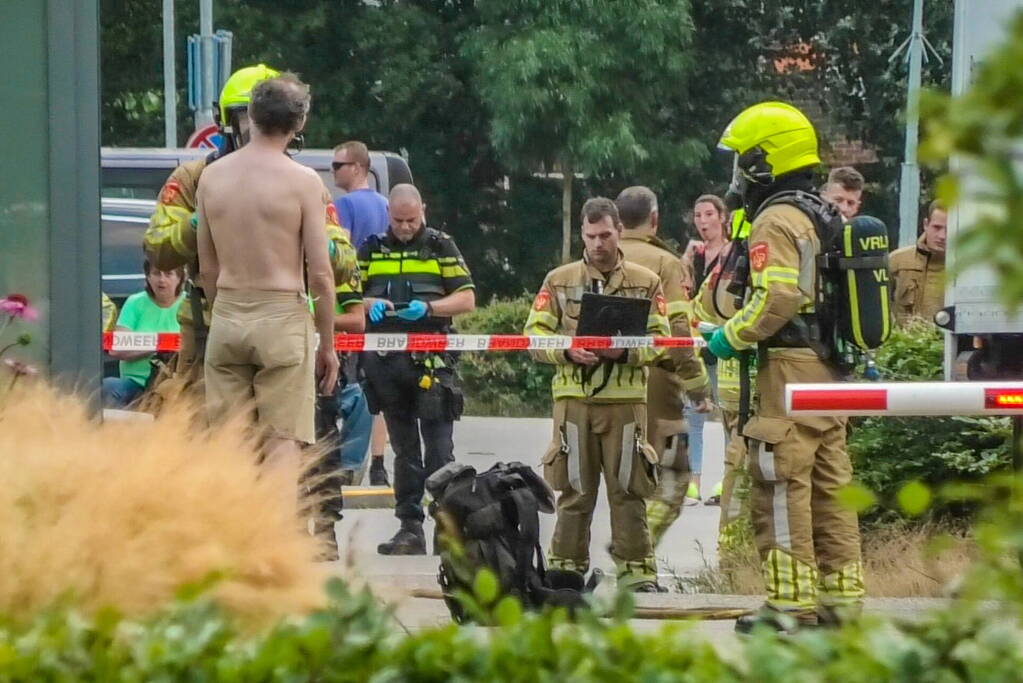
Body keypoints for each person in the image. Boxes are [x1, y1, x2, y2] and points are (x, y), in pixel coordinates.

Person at [705, 101, 864, 632]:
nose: (736, 175)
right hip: (825, 366)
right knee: (830, 485)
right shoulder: (818, 211)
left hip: (788, 369)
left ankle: (789, 608)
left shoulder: (775, 218)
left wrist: (727, 337)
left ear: (764, 161)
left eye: (741, 161)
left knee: (780, 480)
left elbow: (778, 298)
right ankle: (840, 603)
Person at [143, 64, 356, 410]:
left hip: (280, 323)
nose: (255, 127)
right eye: (244, 117)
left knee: (277, 439)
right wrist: (200, 222)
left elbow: (343, 265)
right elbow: (158, 249)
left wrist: (316, 238)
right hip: (207, 330)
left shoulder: (301, 182)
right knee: (206, 435)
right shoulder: (195, 178)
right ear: (226, 120)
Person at [197, 74, 339, 494]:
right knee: (282, 441)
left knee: (230, 442)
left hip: (226, 312)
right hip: (282, 314)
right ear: (299, 123)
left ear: (250, 116)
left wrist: (218, 309)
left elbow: (207, 266)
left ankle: (230, 542)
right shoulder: (303, 182)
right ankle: (273, 545)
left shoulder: (212, 178)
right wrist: (327, 343)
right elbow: (321, 274)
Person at [525, 197, 670, 592]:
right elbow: (533, 337)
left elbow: (662, 340)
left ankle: (638, 574)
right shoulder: (559, 280)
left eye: (605, 235)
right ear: (582, 236)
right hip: (573, 400)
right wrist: (567, 348)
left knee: (628, 490)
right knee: (573, 489)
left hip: (625, 403)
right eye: (590, 236)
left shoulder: (646, 281)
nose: (598, 244)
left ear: (619, 230)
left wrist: (622, 350)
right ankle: (566, 569)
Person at [359, 183, 475, 555]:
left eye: (412, 219)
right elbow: (346, 295)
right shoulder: (372, 248)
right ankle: (410, 528)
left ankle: (447, 529)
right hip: (386, 364)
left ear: (422, 210)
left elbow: (467, 298)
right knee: (405, 452)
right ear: (388, 214)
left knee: (440, 450)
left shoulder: (441, 246)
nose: (406, 227)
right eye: (399, 220)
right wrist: (369, 303)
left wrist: (430, 309)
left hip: (432, 362)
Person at [613, 186, 711, 549]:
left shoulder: (599, 257)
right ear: (654, 219)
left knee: (625, 476)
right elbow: (679, 332)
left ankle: (626, 549)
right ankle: (637, 549)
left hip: (606, 386)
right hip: (657, 388)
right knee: (673, 476)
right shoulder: (666, 263)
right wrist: (698, 386)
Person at [331, 142, 391, 485]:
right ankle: (379, 463)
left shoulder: (343, 206)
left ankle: (344, 462)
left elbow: (340, 258)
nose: (333, 171)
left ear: (357, 167)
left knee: (348, 386)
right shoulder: (387, 205)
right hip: (386, 309)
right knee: (376, 389)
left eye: (338, 165)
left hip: (354, 304)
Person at [681, 194, 734, 504]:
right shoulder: (693, 255)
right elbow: (681, 292)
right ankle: (693, 480)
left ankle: (728, 478)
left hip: (721, 341)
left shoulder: (732, 255)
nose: (702, 221)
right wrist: (685, 261)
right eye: (698, 215)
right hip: (695, 344)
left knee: (728, 413)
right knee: (692, 415)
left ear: (722, 217)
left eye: (708, 214)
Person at [102, 262, 185, 408]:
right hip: (135, 384)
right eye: (156, 273)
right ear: (148, 277)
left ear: (179, 278)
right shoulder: (135, 303)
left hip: (177, 384)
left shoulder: (188, 305)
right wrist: (158, 345)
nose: (162, 280)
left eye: (168, 274)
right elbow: (116, 349)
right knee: (108, 386)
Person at [890, 200, 947, 326]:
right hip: (900, 343)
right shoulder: (897, 261)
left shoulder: (966, 270)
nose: (942, 236)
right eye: (936, 227)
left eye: (949, 229)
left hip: (947, 344)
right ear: (926, 224)